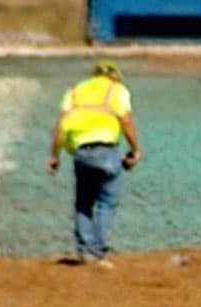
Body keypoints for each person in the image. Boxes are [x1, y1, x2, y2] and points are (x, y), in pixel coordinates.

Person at [46, 60, 143, 268]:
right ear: (115, 76)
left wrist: (54, 156)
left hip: (81, 154)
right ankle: (98, 252)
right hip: (107, 151)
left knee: (83, 203)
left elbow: (61, 128)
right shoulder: (117, 90)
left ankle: (84, 251)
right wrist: (135, 150)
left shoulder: (74, 92)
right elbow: (125, 120)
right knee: (106, 203)